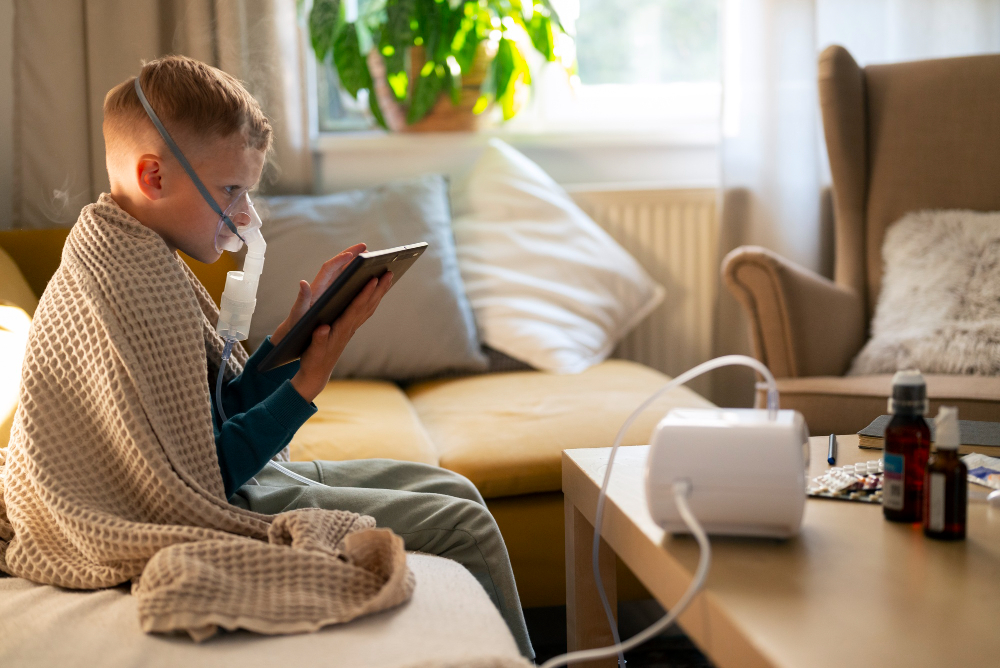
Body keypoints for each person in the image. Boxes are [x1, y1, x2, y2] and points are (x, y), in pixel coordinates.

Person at [18, 55, 533, 657]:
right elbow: (208, 478)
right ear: (153, 176)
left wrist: (293, 337)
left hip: (226, 481)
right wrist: (304, 386)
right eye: (231, 190)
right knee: (466, 525)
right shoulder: (128, 285)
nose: (247, 217)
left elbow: (209, 416)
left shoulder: (141, 253)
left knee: (456, 489)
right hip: (220, 499)